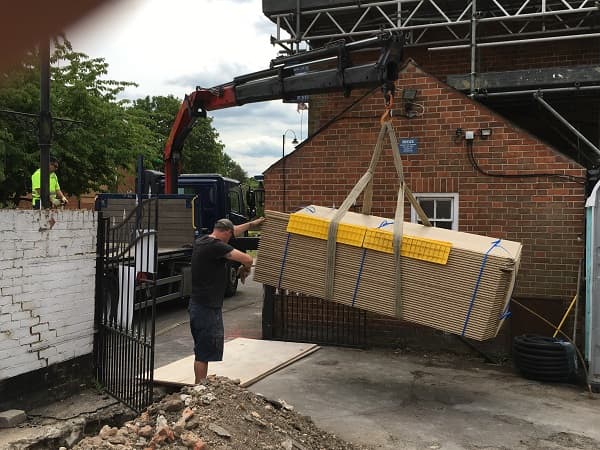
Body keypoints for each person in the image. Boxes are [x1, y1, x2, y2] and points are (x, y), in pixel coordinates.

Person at [189, 216, 265, 383]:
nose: (231, 239)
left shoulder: (202, 240)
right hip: (206, 307)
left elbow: (235, 229)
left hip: (199, 304)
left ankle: (200, 385)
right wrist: (245, 270)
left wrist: (253, 224)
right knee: (204, 351)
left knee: (203, 349)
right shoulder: (216, 247)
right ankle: (198, 389)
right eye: (230, 236)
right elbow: (248, 259)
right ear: (226, 233)